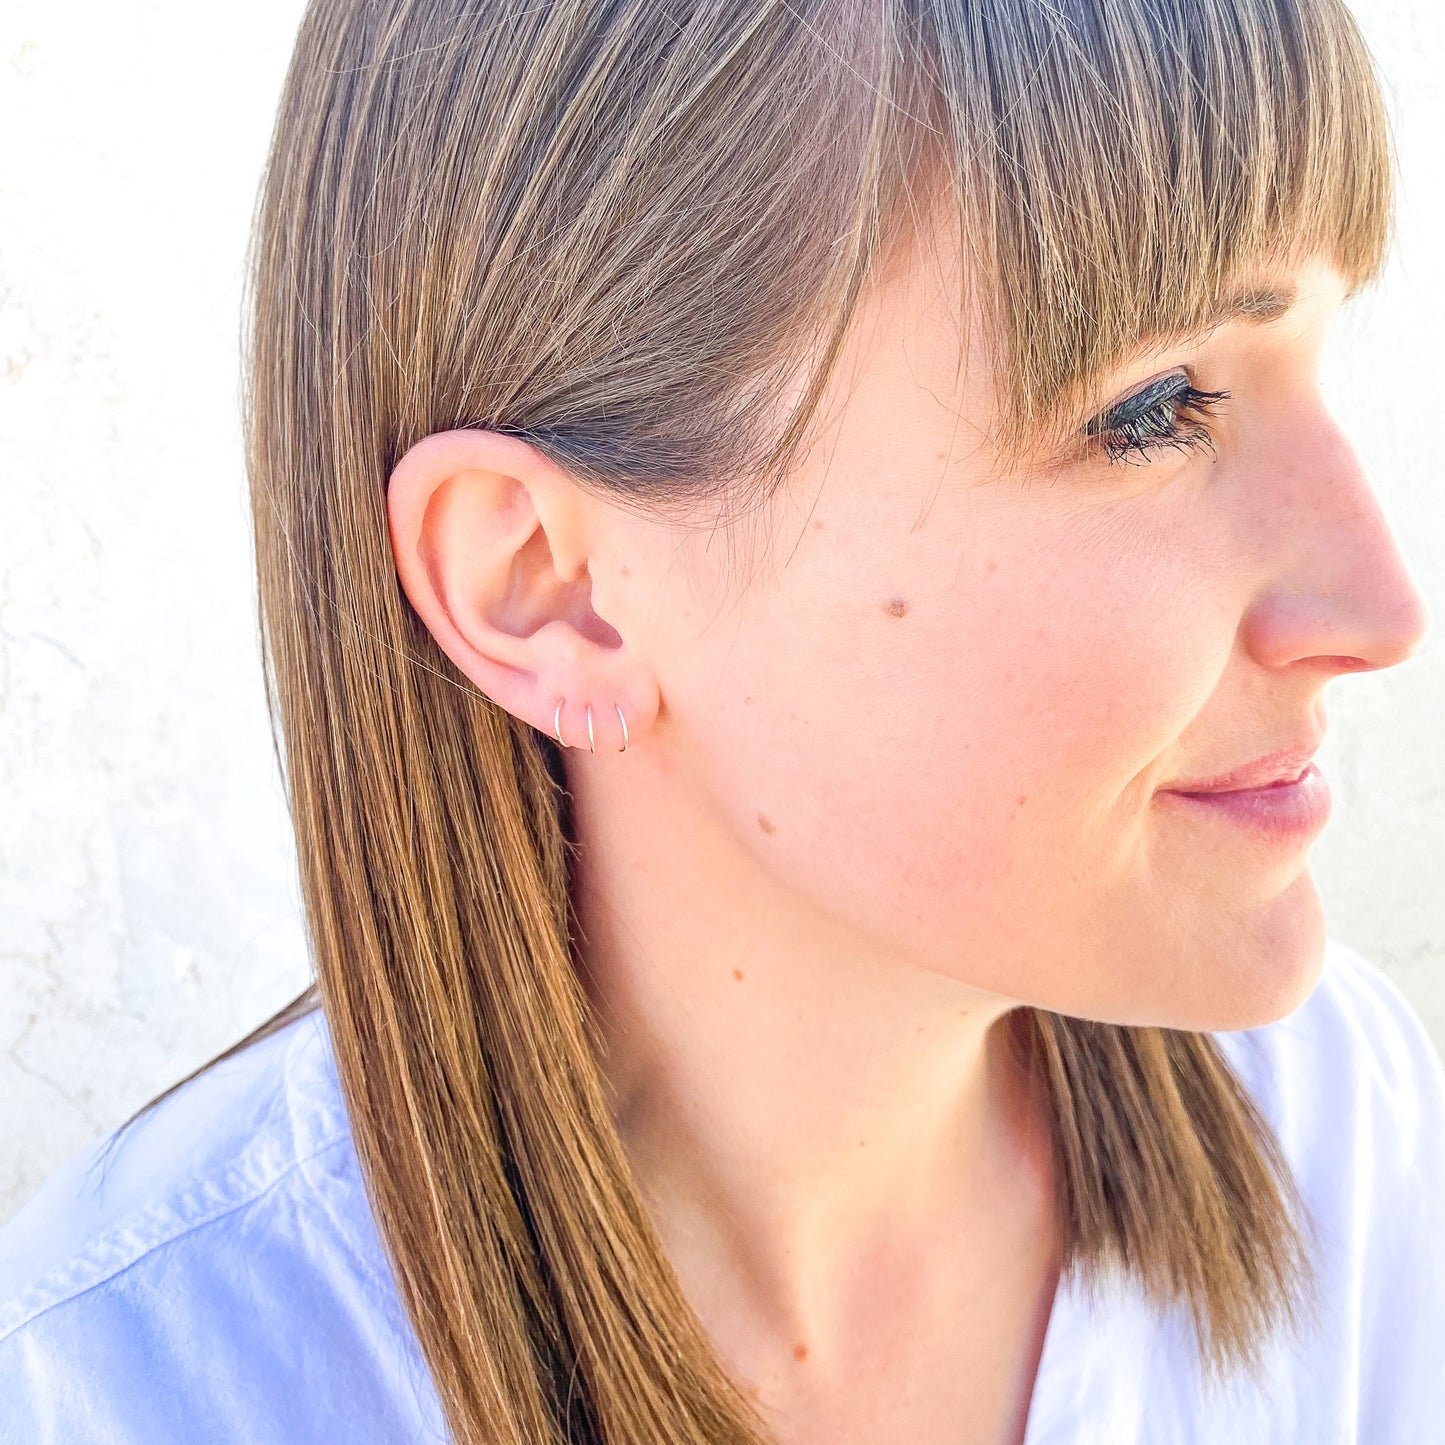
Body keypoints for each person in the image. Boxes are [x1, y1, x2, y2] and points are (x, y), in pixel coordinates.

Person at [1, 0, 1442, 1441]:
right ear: (551, 587)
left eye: (1318, 353)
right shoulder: (122, 1391)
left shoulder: (1334, 1127)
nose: (1380, 605)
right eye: (1154, 409)